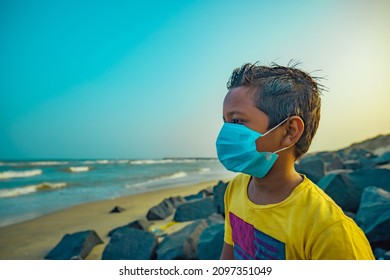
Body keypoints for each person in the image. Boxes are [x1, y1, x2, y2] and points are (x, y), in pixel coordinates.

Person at [216, 62, 374, 260]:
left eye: (237, 121)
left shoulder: (330, 231)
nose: (226, 132)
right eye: (225, 121)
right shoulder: (236, 189)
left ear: (290, 131)